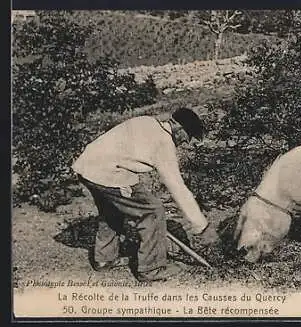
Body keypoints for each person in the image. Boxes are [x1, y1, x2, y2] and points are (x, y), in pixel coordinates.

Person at [72, 107, 218, 282]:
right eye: (188, 136)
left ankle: (105, 258)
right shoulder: (164, 143)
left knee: (111, 208)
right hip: (107, 172)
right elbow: (178, 188)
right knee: (153, 211)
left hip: (87, 165)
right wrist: (203, 227)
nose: (186, 142)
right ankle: (151, 268)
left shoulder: (147, 121)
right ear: (177, 127)